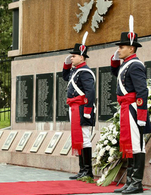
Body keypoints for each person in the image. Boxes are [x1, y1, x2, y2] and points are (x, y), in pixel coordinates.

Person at [111, 16, 151, 194]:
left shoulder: (135, 65)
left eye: (121, 47)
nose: (118, 50)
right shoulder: (126, 64)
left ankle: (136, 182)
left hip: (134, 108)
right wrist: (114, 59)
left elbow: (142, 91)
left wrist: (142, 115)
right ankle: (130, 180)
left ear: (131, 48)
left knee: (137, 145)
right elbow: (117, 74)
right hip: (127, 108)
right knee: (129, 144)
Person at [62, 32, 96, 180]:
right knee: (79, 137)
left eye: (74, 56)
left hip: (82, 108)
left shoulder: (85, 72)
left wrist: (88, 110)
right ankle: (82, 169)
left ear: (82, 57)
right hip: (75, 108)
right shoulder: (75, 71)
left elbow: (90, 92)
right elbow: (65, 77)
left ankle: (88, 170)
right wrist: (66, 64)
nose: (72, 57)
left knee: (85, 137)